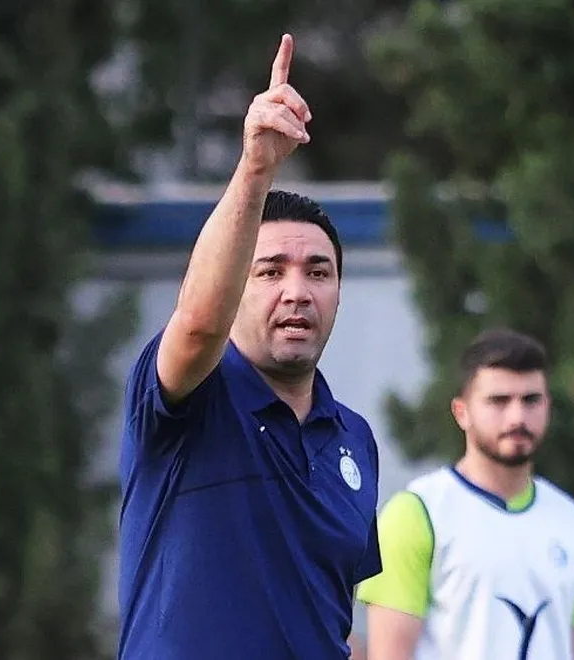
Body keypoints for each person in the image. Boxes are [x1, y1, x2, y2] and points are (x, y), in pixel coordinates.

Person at [116, 33, 382, 660]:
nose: (297, 292)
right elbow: (198, 323)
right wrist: (256, 168)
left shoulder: (354, 438)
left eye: (318, 272)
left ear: (338, 292)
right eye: (270, 271)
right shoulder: (188, 397)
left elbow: (327, 612)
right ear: (236, 286)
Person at [357, 328, 574, 660]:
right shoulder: (417, 513)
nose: (517, 417)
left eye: (531, 400)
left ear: (548, 406)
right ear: (461, 412)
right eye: (498, 401)